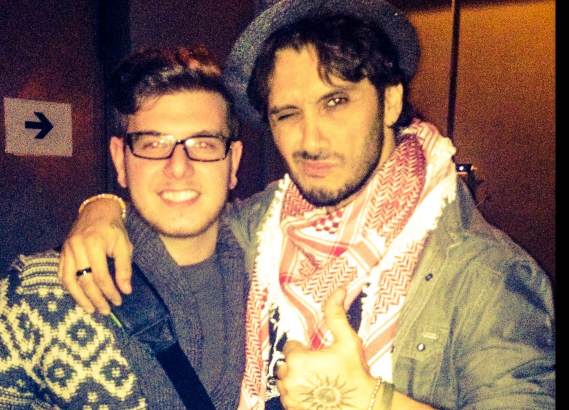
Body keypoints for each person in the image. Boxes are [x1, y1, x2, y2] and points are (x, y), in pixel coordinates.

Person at [59, 0, 556, 409]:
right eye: (288, 113)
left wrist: (374, 401)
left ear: (390, 101)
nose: (311, 140)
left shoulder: (485, 272)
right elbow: (183, 208)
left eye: (335, 101)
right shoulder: (264, 225)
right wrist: (102, 209)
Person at [0, 46, 247, 409]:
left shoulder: (274, 281)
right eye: (153, 144)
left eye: (203, 143)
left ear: (233, 162)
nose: (179, 167)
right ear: (120, 160)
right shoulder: (39, 292)